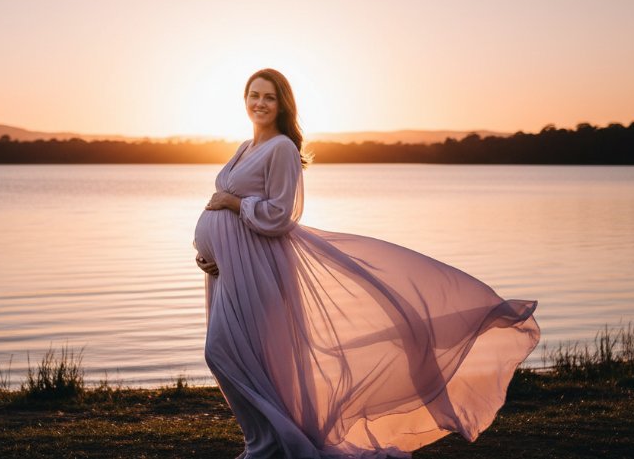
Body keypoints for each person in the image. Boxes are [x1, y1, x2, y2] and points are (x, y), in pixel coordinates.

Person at [193, 68, 539, 458]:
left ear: (282, 105)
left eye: (269, 97)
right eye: (253, 95)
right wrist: (210, 252)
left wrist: (234, 204)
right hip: (231, 270)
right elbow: (227, 213)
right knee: (241, 355)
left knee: (223, 352)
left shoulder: (283, 148)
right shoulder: (245, 146)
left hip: (259, 270)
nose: (259, 103)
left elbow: (279, 215)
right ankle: (265, 441)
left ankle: (272, 443)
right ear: (244, 99)